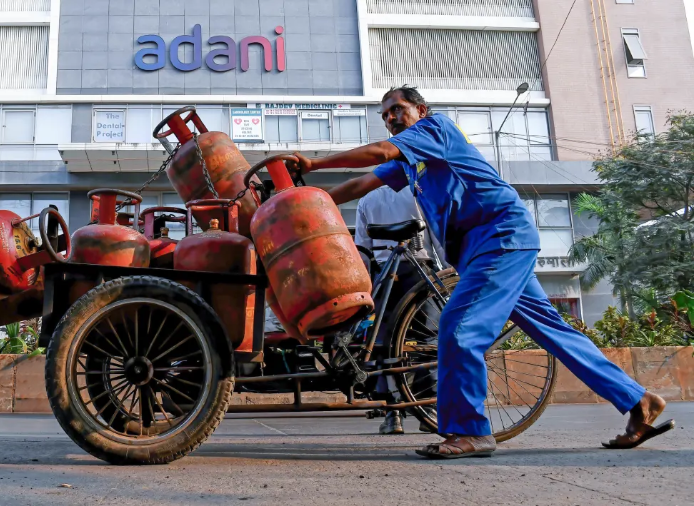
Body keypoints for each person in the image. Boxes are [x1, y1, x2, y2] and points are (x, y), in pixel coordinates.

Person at [289, 85, 674, 459]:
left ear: (420, 110)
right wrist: (297, 198)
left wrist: (316, 162)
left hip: (499, 237)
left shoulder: (436, 129)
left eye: (397, 109)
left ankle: (471, 431)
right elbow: (362, 182)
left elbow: (380, 151)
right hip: (484, 249)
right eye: (385, 114)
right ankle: (639, 401)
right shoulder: (411, 161)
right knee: (554, 332)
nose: (390, 118)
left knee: (459, 328)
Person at [356, 173, 442, 435]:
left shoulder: (367, 200)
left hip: (384, 274)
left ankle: (393, 413)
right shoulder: (419, 193)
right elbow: (437, 240)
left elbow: (362, 249)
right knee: (428, 342)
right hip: (419, 270)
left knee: (385, 344)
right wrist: (450, 273)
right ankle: (429, 410)